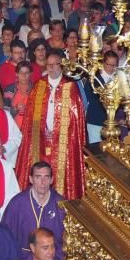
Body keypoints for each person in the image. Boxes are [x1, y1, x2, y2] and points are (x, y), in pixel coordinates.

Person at [16, 50, 87, 200]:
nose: (52, 68)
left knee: (62, 174)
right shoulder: (39, 85)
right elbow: (31, 116)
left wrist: (58, 132)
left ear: (62, 66)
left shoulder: (70, 87)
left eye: (56, 64)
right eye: (49, 65)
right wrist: (43, 129)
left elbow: (76, 120)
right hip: (40, 140)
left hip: (64, 143)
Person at [1, 160, 67, 259]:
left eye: (46, 177)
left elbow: (68, 239)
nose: (43, 182)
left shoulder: (61, 204)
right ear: (31, 179)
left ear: (51, 180)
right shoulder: (17, 203)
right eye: (38, 177)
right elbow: (4, 236)